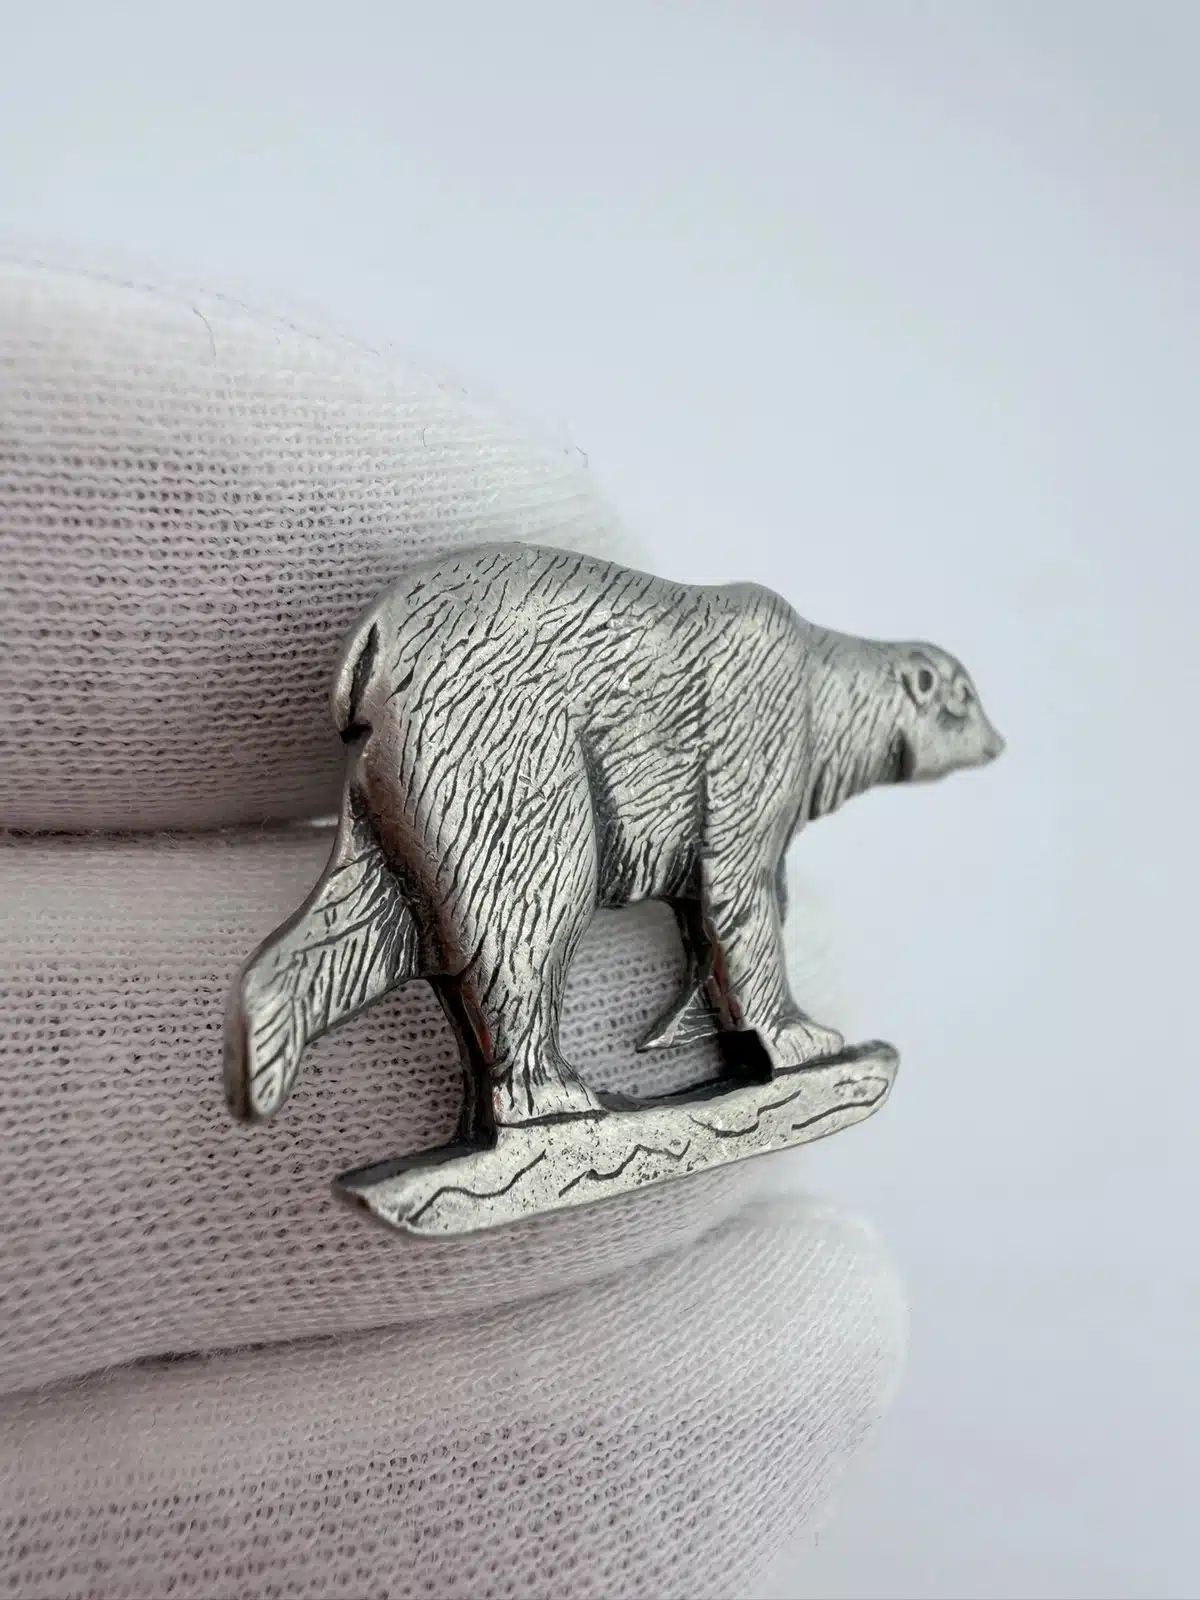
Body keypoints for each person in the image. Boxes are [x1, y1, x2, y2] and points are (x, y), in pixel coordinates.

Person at [0, 260, 903, 1600]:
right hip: (502, 678)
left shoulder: (757, 661)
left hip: (449, 663)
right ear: (902, 693)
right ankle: (527, 1089)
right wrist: (761, 1025)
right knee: (516, 890)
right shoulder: (770, 677)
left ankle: (293, 1014)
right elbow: (731, 885)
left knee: (388, 906)